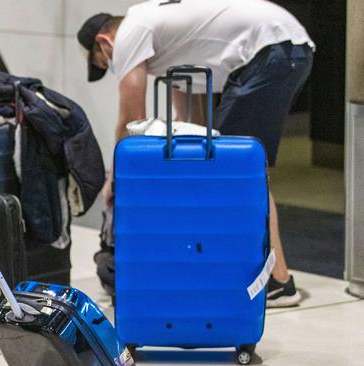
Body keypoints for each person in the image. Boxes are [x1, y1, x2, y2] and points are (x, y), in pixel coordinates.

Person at [78, 0, 314, 308]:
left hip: (271, 50)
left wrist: (115, 178)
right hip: (285, 47)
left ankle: (277, 280)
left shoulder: (131, 30)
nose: (113, 68)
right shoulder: (172, 45)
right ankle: (260, 274)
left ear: (104, 42)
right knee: (232, 167)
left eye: (104, 63)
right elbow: (193, 125)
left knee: (240, 170)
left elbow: (131, 120)